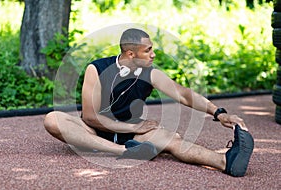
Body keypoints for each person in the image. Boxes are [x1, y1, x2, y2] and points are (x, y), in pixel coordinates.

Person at [43, 28, 254, 177]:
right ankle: (126, 153)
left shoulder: (150, 74)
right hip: (93, 132)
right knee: (53, 119)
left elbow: (183, 94)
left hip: (134, 137)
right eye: (148, 50)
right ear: (130, 53)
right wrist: (133, 127)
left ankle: (225, 161)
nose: (153, 54)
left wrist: (218, 112)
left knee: (173, 139)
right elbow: (90, 117)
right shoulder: (96, 69)